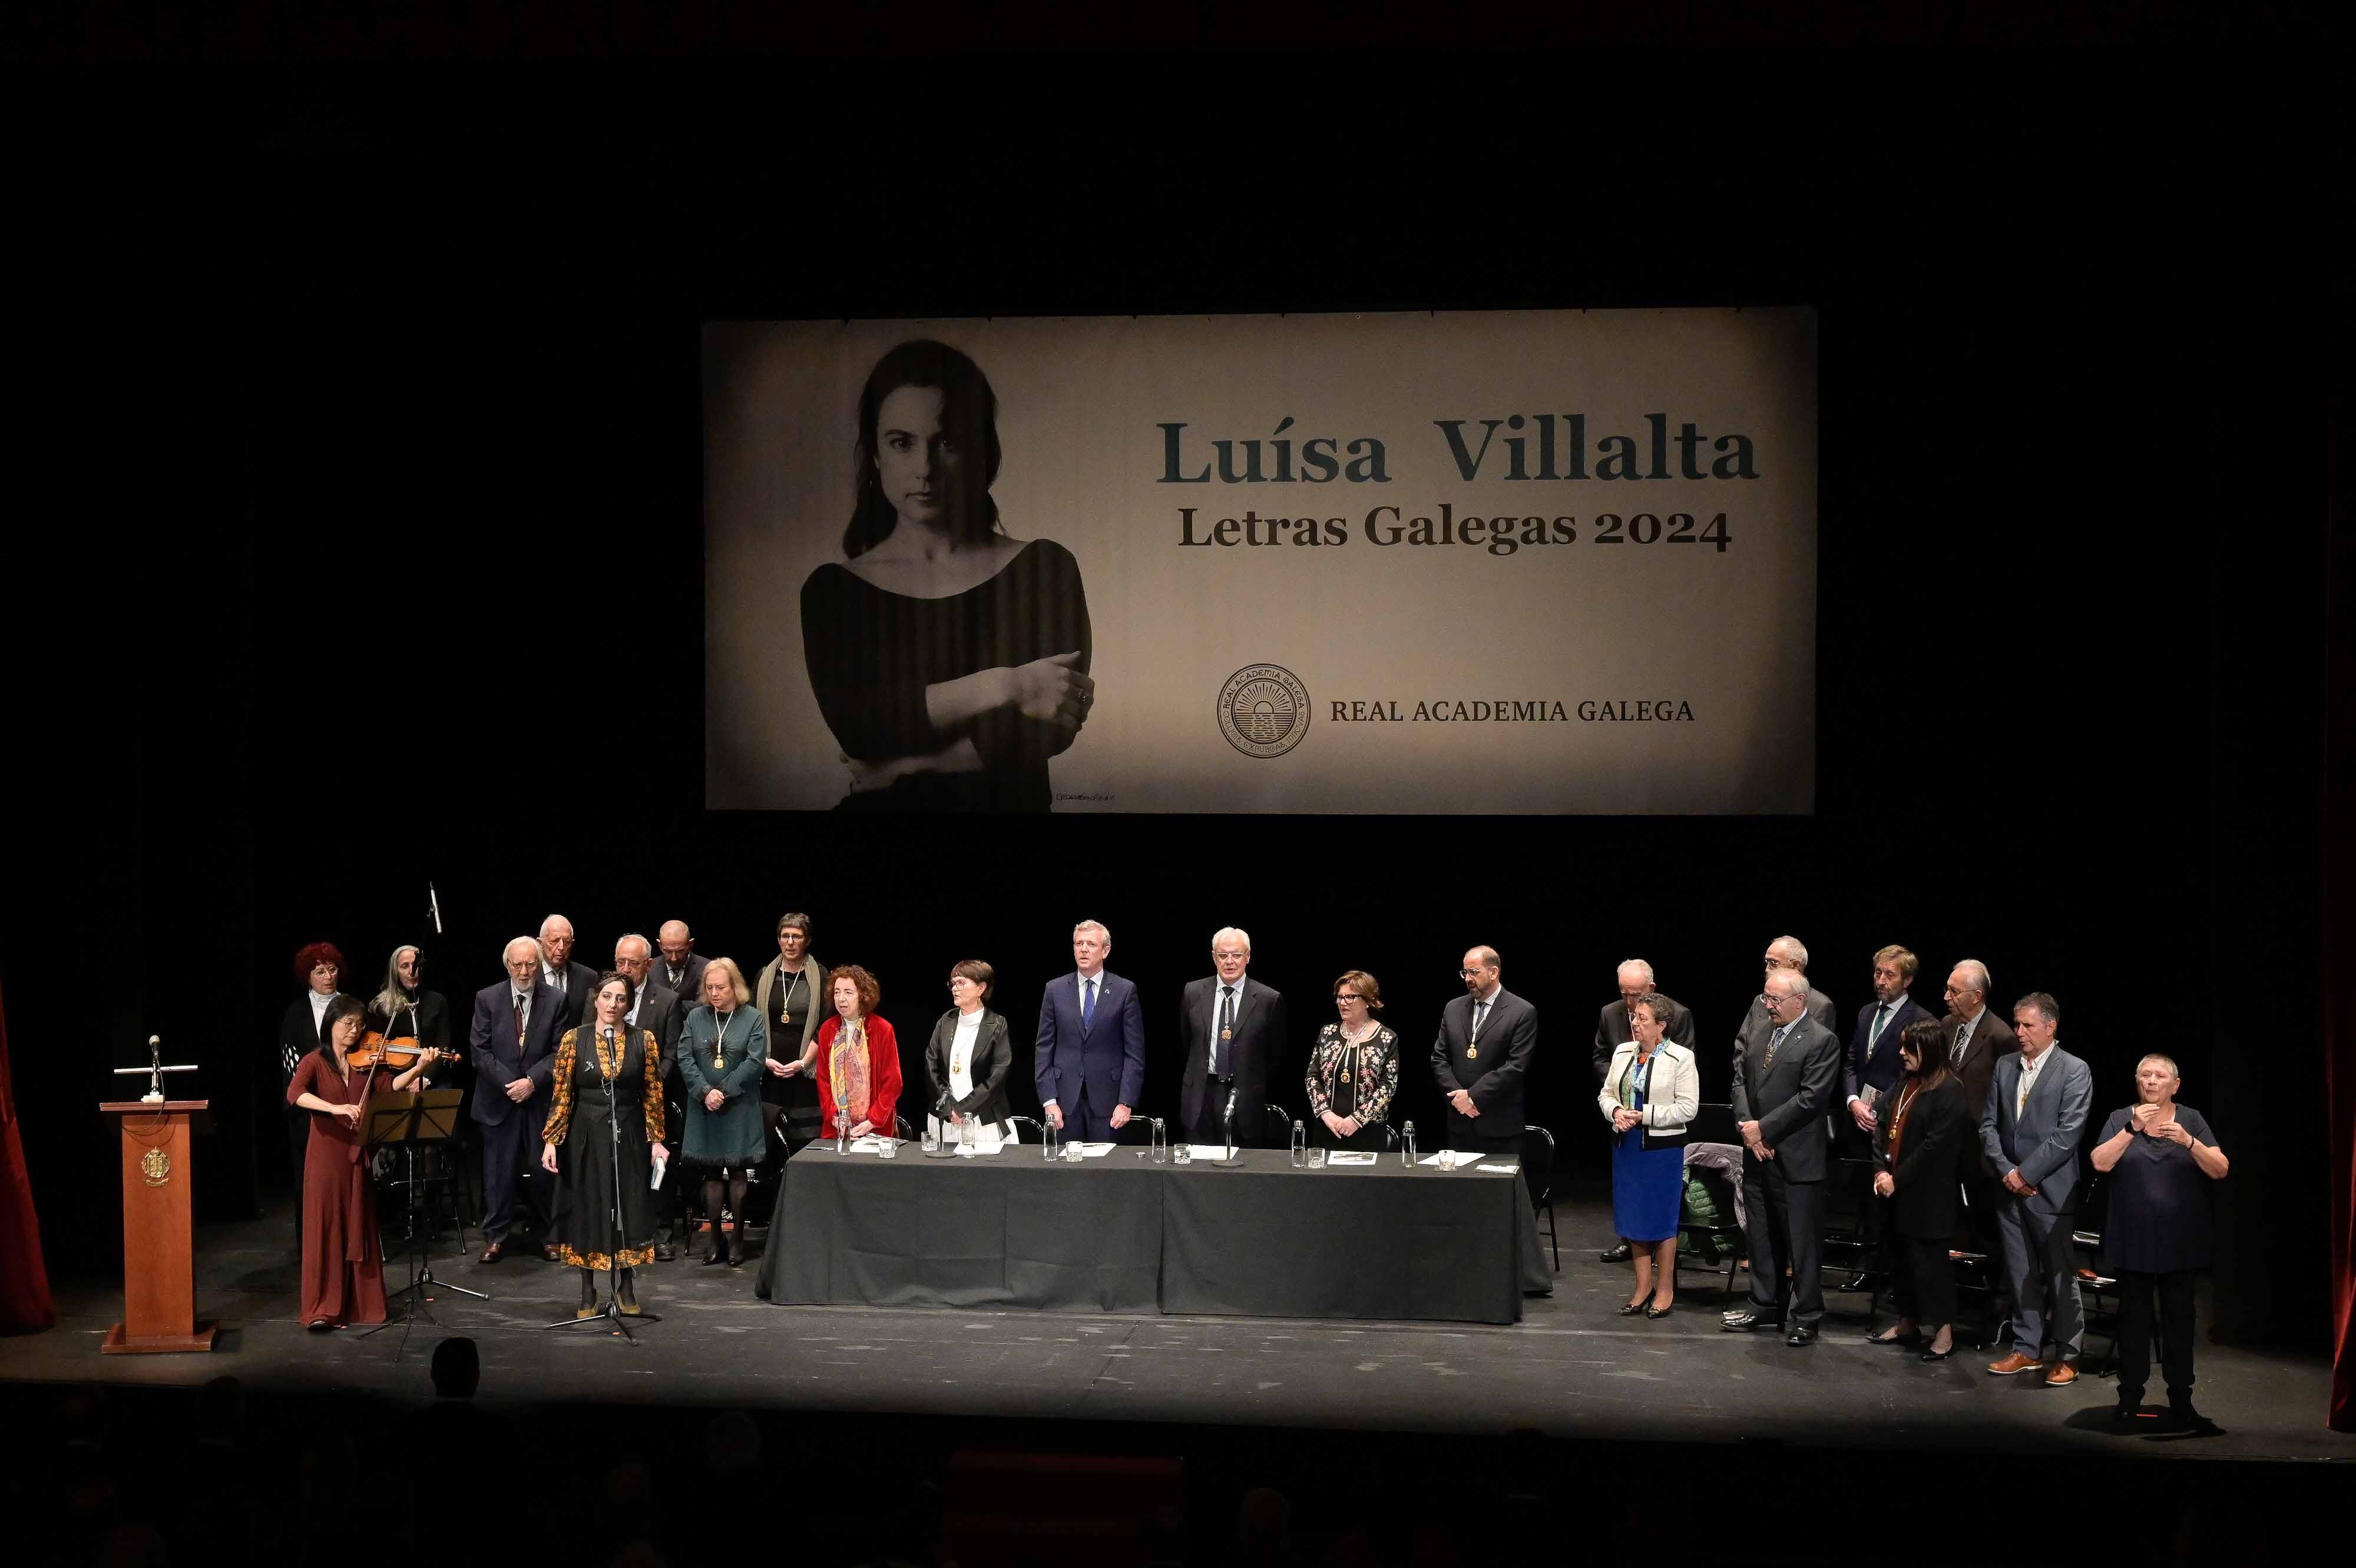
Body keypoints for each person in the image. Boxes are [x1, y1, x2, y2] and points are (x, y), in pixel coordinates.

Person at [799, 338, 1096, 812]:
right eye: (902, 443)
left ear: (980, 451)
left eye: (948, 443)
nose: (925, 468)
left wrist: (905, 767)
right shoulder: (833, 591)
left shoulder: (1045, 567)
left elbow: (1051, 724)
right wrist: (1008, 685)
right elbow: (859, 727)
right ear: (875, 455)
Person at [2088, 1054, 2228, 1427]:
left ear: (2175, 1085)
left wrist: (2188, 1142)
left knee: (2179, 1324)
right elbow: (2100, 1162)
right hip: (2132, 1242)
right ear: (2137, 1082)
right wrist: (2132, 1128)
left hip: (2179, 1244)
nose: (2151, 1081)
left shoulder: (2192, 1120)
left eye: (2160, 1076)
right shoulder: (2121, 1119)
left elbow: (2221, 1168)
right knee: (2132, 1323)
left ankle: (2181, 1399)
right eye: (2145, 1075)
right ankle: (2130, 1397)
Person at [286, 993, 440, 1328]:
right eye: (347, 1024)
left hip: (358, 1155)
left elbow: (389, 1087)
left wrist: (419, 1067)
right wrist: (335, 1108)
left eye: (359, 1025)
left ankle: (360, 1306)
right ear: (331, 1025)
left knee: (358, 1225)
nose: (354, 1032)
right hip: (326, 1158)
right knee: (327, 1227)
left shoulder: (366, 1063)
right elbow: (295, 1094)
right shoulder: (314, 1061)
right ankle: (322, 1309)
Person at [1979, 991, 2094, 1386]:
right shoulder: (2005, 1065)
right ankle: (2027, 1348)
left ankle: (2067, 1353)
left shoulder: (2074, 1070)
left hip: (2050, 1190)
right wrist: (2006, 1171)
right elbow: (1989, 1125)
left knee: (2060, 1274)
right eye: (2017, 1024)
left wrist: (2025, 1174)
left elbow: (2067, 1135)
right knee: (2020, 1271)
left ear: (2050, 1026)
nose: (2020, 1032)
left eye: (2028, 1025)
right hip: (2008, 1188)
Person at [1724, 967, 1841, 1345]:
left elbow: (1810, 1099)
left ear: (1800, 1002)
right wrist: (1748, 1129)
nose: (1768, 1005)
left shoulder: (1822, 1041)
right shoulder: (1762, 1033)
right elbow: (1740, 1079)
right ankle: (1763, 1303)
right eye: (1766, 998)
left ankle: (1806, 1314)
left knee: (1801, 1241)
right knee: (1760, 1234)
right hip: (1758, 1153)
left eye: (1775, 999)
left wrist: (1765, 1129)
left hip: (1796, 1158)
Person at [540, 974, 668, 1318]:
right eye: (607, 997)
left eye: (621, 999)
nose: (613, 1004)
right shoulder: (574, 1039)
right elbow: (562, 1094)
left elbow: (653, 1094)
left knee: (627, 1204)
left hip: (628, 1133)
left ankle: (626, 1286)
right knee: (587, 1205)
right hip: (585, 1133)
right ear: (596, 1000)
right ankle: (587, 1289)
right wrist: (552, 1139)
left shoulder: (645, 1040)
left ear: (629, 1004)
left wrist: (657, 1141)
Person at [1867, 1018, 1972, 1360]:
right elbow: (1884, 1126)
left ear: (1927, 1050)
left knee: (1931, 1267)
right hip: (1894, 1191)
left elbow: (1934, 1148)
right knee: (1901, 1262)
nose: (1901, 1053)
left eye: (1909, 1048)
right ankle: (1907, 1322)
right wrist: (1881, 1170)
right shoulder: (1906, 1083)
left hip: (1928, 1196)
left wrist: (1898, 1178)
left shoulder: (1949, 1091)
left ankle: (1943, 1332)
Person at [466, 937, 568, 1263]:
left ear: (539, 965)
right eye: (517, 965)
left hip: (538, 1100)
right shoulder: (488, 998)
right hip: (499, 1100)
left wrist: (532, 1083)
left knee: (543, 1173)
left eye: (531, 964)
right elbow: (479, 1051)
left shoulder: (556, 999)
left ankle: (548, 1236)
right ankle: (496, 1237)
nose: (524, 971)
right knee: (499, 1173)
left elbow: (559, 1052)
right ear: (507, 965)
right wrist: (512, 1084)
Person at [1597, 993, 1698, 1317]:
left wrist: (1645, 1115)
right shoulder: (1623, 1052)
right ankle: (1642, 1287)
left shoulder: (1680, 1058)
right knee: (1634, 1218)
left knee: (1661, 1220)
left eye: (1642, 1019)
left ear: (1662, 1026)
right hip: (1627, 1147)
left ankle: (1665, 1289)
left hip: (1661, 1151)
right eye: (1634, 1018)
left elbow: (1688, 1108)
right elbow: (1607, 1093)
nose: (1635, 1024)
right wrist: (1615, 1112)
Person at [366, 944, 465, 1236]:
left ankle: (432, 1214)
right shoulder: (381, 1006)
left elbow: (444, 1047)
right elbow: (378, 1054)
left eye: (417, 966)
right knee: (393, 1135)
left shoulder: (437, 1001)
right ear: (395, 970)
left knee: (432, 1135)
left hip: (431, 1079)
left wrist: (425, 1078)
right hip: (396, 1081)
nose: (413, 972)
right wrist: (406, 1079)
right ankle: (397, 1210)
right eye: (405, 966)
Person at [677, 957, 767, 1267]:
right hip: (704, 1106)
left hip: (739, 1106)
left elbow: (755, 1062)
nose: (715, 993)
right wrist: (706, 1092)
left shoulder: (752, 1018)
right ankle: (715, 1237)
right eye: (710, 987)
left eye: (721, 987)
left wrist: (724, 1092)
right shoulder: (696, 1018)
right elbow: (685, 1057)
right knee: (712, 1172)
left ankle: (738, 1238)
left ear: (735, 987)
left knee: (739, 1171)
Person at [1035, 919, 1144, 1142]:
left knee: (1107, 1172)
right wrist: (1049, 1100)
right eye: (1078, 944)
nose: (1083, 949)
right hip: (1063, 1104)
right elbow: (1044, 1048)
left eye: (1091, 944)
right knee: (1065, 1171)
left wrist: (1126, 1102)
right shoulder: (1054, 989)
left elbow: (1135, 1054)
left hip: (1109, 1104)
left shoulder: (1124, 991)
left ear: (1105, 951)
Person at [1179, 927, 1289, 1146]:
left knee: (1240, 1173)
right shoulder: (1193, 992)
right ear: (1214, 957)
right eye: (1223, 955)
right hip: (1201, 1095)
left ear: (1247, 957)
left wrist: (1249, 1078)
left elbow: (1275, 1054)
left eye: (1237, 955)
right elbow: (1187, 1042)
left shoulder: (1269, 999)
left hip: (1244, 1097)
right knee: (1197, 1173)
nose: (1230, 961)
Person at [613, 934, 687, 1259]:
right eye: (621, 962)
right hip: (614, 1101)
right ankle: (623, 1230)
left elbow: (672, 1054)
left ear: (649, 964)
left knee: (658, 1167)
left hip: (653, 1099)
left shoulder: (667, 1000)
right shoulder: (604, 997)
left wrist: (650, 1085)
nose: (626, 969)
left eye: (633, 963)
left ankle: (661, 1234)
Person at [1429, 946, 1536, 1159]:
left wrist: (1473, 1096)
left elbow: (1516, 1066)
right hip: (1460, 1123)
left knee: (1497, 1191)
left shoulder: (1522, 1012)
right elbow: (1439, 1058)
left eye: (1474, 972)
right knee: (1460, 1191)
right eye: (1465, 973)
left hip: (1500, 1127)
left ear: (1494, 972)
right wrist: (1459, 1098)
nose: (1468, 978)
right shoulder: (1453, 1008)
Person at [276, 942, 345, 1247]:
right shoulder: (296, 1013)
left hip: (345, 1106)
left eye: (332, 970)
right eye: (320, 971)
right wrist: (311, 1100)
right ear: (308, 976)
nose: (328, 976)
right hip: (307, 1111)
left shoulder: (350, 1007)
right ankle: (312, 1247)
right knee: (308, 1184)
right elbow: (290, 1066)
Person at [755, 913, 826, 1153]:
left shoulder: (821, 976)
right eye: (785, 936)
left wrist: (804, 1063)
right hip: (770, 1070)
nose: (790, 942)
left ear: (807, 940)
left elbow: (824, 1026)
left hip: (806, 1074)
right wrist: (763, 1059)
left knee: (803, 1144)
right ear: (779, 940)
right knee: (772, 1143)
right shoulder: (766, 975)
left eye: (797, 936)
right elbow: (752, 1022)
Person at [809, 964, 905, 1142]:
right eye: (837, 992)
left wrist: (872, 1121)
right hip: (837, 1128)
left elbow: (893, 1082)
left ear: (863, 996)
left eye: (848, 992)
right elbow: (823, 1079)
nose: (841, 999)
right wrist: (835, 1117)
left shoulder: (882, 1029)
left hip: (874, 1129)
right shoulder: (828, 1029)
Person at [1305, 971, 1399, 1152]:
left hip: (1368, 1133)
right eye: (1339, 997)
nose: (1342, 1003)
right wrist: (1326, 1114)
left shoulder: (1387, 1038)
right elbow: (1312, 1077)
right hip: (1328, 1130)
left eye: (1350, 997)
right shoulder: (1327, 1033)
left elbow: (1388, 1087)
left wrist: (1356, 1120)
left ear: (1368, 1000)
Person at [924, 960, 1013, 1143]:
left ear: (981, 988)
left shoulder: (997, 1024)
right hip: (945, 1118)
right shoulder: (945, 1021)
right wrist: (950, 1108)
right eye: (953, 983)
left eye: (961, 983)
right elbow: (930, 1064)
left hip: (983, 1119)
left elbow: (998, 1076)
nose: (955, 989)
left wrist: (965, 1108)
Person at [538, 914, 600, 1031]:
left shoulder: (589, 978)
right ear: (540, 943)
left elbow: (591, 1024)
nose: (561, 947)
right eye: (554, 941)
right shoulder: (530, 976)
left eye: (567, 942)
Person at [656, 920, 709, 1003]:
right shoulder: (649, 968)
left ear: (691, 944)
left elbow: (705, 1008)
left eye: (680, 951)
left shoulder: (707, 968)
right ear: (660, 945)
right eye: (668, 951)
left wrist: (663, 1006)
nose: (674, 958)